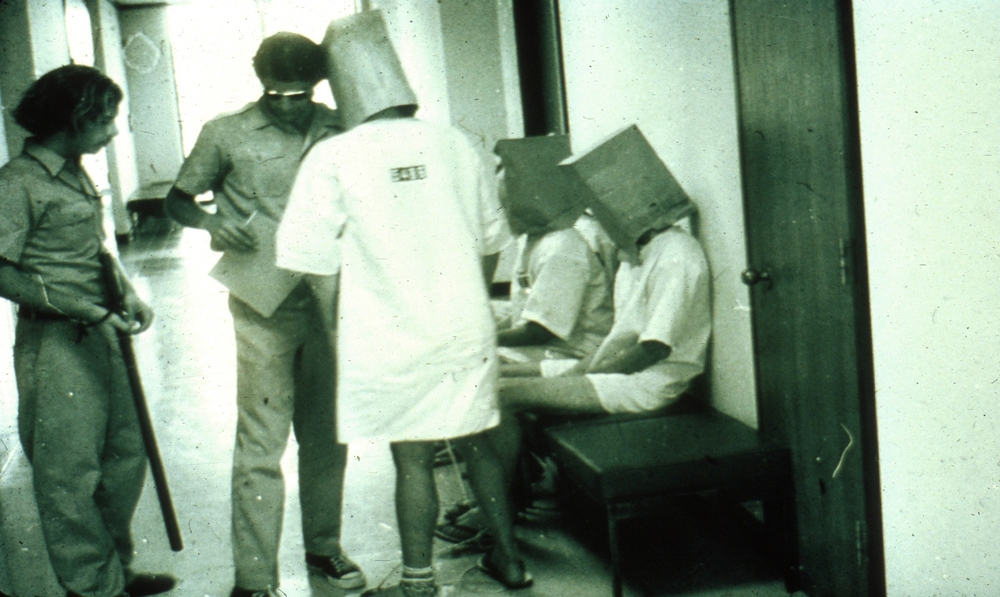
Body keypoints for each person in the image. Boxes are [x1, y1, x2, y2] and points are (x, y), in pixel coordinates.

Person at [276, 11, 530, 597]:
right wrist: (466, 297)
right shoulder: (457, 143)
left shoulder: (333, 156)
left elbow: (312, 263)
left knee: (412, 458)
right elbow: (492, 242)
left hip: (388, 332)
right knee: (479, 440)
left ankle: (418, 582)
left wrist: (337, 333)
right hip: (463, 326)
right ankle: (511, 561)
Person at [163, 33, 362, 597]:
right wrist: (208, 222)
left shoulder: (343, 127)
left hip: (334, 302)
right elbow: (177, 199)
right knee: (260, 443)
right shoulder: (225, 133)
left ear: (317, 86)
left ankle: (324, 548)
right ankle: (253, 581)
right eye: (276, 94)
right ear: (260, 83)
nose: (288, 106)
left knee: (327, 436)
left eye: (299, 95)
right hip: (263, 304)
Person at [0, 65, 175, 597]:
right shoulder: (17, 183)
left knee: (125, 455)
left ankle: (114, 570)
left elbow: (95, 248)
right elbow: (3, 272)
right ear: (72, 118)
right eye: (104, 120)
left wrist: (126, 290)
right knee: (68, 473)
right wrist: (85, 308)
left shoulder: (75, 172)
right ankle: (92, 587)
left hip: (101, 332)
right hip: (54, 342)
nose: (113, 131)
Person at [489, 124, 713, 491]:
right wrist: (583, 370)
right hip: (611, 368)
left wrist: (583, 375)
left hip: (648, 384)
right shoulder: (636, 253)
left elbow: (653, 348)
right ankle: (516, 496)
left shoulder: (677, 254)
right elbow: (622, 336)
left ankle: (507, 508)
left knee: (500, 396)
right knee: (490, 381)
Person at [492, 135, 615, 377]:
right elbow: (522, 315)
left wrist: (484, 341)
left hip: (572, 355)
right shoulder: (534, 240)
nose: (504, 213)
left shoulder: (562, 247)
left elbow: (541, 330)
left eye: (507, 206)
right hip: (543, 350)